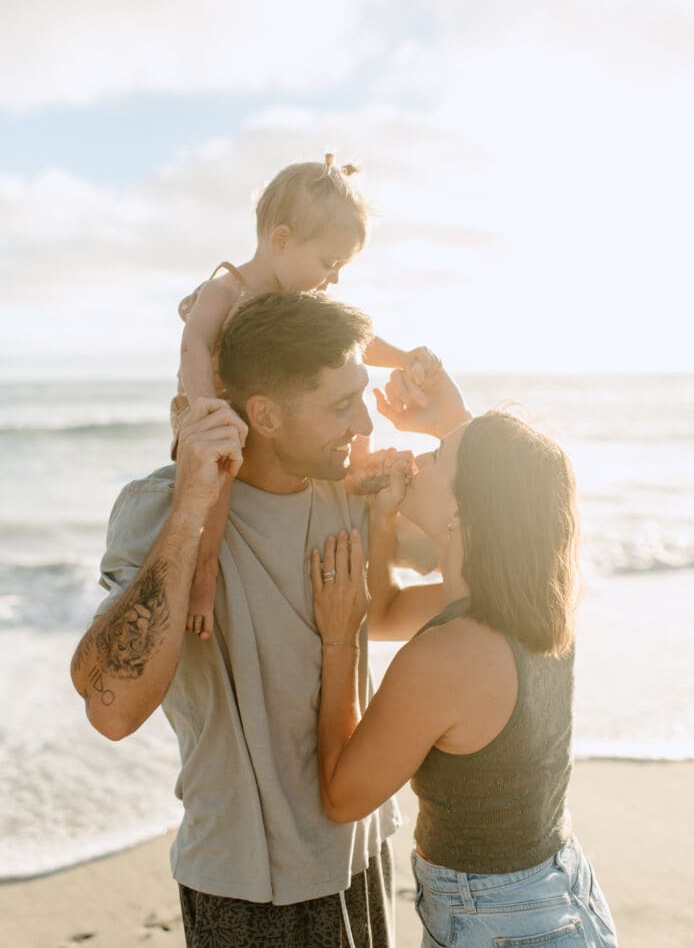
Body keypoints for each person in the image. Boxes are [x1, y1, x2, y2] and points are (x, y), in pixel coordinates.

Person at [70, 292, 435, 948]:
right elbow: (112, 709)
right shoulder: (160, 508)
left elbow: (497, 563)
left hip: (361, 849)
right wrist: (191, 508)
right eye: (341, 405)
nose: (366, 426)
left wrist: (449, 425)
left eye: (362, 396)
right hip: (242, 884)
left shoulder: (350, 489)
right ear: (264, 414)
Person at [311, 369, 619, 947]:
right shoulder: (539, 598)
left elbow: (341, 796)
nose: (417, 461)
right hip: (553, 899)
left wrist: (334, 640)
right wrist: (382, 519)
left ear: (467, 513)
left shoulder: (449, 656)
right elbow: (386, 612)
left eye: (437, 457)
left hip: (502, 924)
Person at [172, 153, 439, 642]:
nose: (333, 279)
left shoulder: (305, 298)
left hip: (284, 422)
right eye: (328, 263)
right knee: (218, 479)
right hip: (221, 408)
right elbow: (195, 345)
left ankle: (359, 477)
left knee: (343, 420)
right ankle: (205, 571)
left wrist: (402, 358)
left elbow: (355, 342)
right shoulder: (226, 289)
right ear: (281, 240)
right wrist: (205, 407)